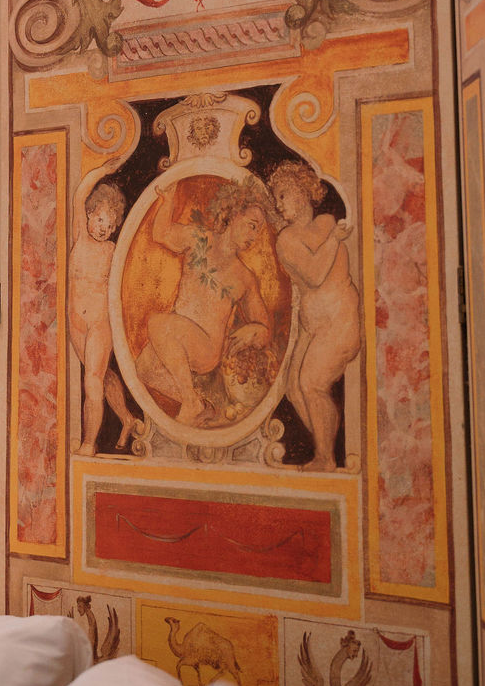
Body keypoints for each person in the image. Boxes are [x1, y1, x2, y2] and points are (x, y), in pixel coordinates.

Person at [138, 179, 272, 426]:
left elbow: (264, 328)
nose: (254, 236)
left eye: (258, 230)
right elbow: (161, 234)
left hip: (206, 349)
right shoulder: (199, 238)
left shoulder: (244, 277)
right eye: (252, 226)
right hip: (178, 337)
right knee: (142, 369)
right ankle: (203, 404)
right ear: (233, 213)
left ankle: (191, 402)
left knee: (158, 324)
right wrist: (167, 201)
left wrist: (256, 330)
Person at [268, 161, 359, 471]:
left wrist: (332, 236)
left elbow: (321, 275)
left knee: (311, 383)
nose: (278, 205)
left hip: (339, 319)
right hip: (313, 325)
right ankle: (327, 444)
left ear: (302, 191)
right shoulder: (288, 239)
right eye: (276, 198)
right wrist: (335, 239)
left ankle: (325, 457)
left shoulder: (325, 223)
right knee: (294, 388)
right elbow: (314, 273)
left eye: (283, 195)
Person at [68, 177, 136, 456]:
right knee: (102, 376)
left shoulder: (112, 251)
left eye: (109, 226)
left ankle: (88, 443)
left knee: (92, 381)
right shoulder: (80, 238)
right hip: (77, 322)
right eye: (99, 220)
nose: (103, 229)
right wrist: (103, 170)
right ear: (89, 214)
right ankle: (127, 419)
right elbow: (78, 195)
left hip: (99, 322)